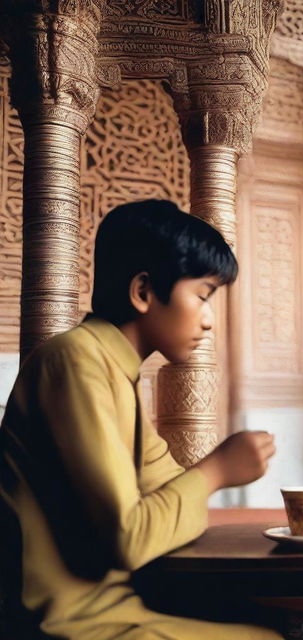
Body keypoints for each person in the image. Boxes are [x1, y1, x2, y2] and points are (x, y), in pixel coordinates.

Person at [0, 200, 282, 640]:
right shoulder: (76, 362)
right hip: (67, 625)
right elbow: (130, 537)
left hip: (117, 610)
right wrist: (218, 470)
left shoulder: (115, 370)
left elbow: (166, 492)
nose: (209, 321)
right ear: (144, 292)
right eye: (203, 296)